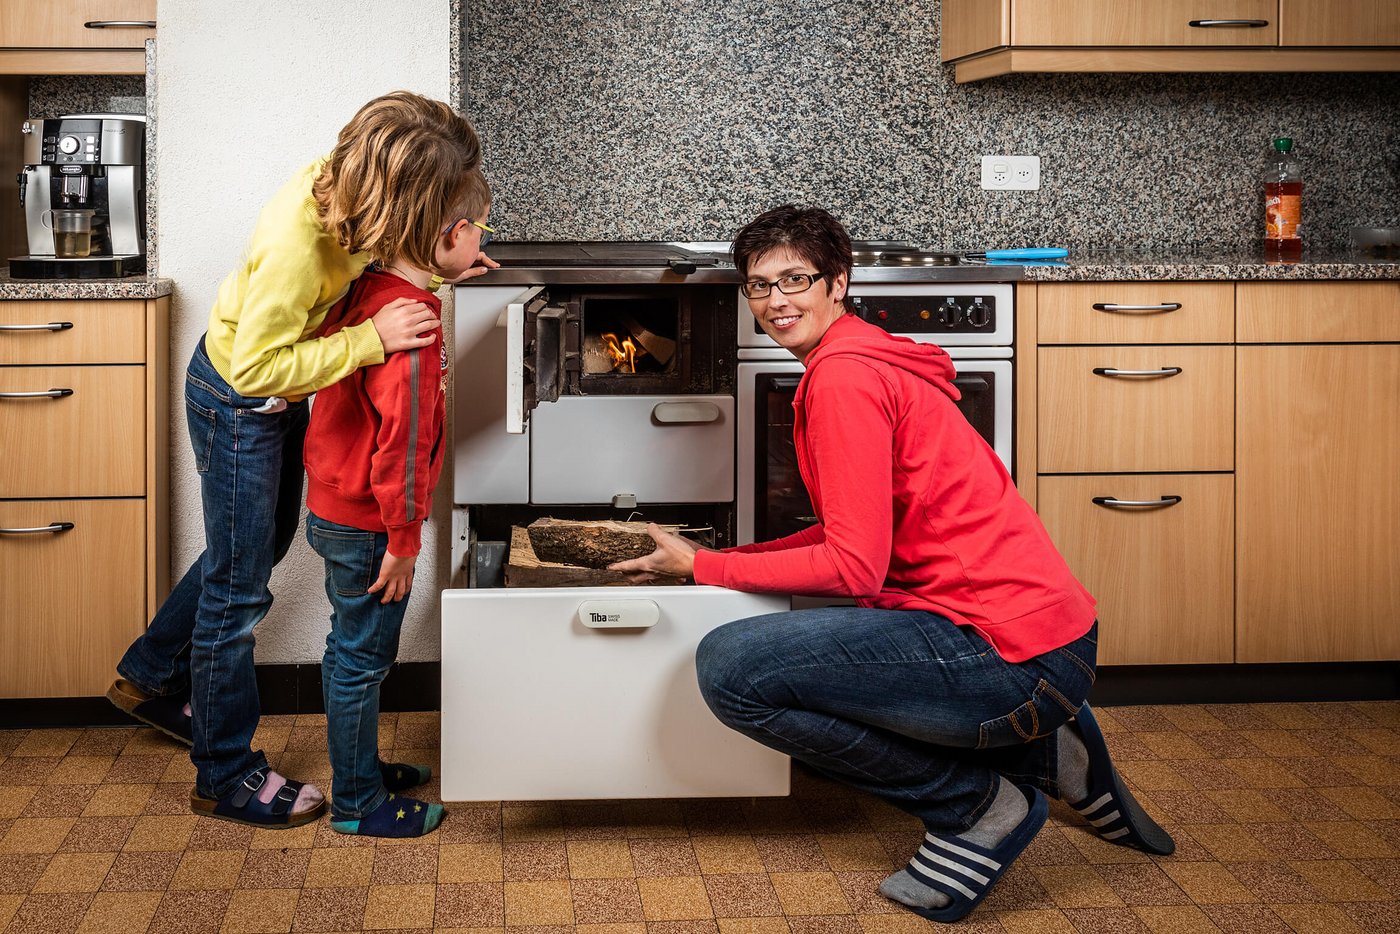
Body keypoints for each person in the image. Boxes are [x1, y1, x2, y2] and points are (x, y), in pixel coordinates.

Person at [611, 205, 1174, 923]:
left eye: (796, 280)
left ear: (837, 283)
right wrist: (715, 558)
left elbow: (852, 569)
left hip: (1008, 652)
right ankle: (1046, 747)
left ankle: (979, 806)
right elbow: (843, 535)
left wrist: (705, 571)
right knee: (795, 670)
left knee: (735, 671)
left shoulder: (843, 380)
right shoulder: (861, 354)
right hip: (1037, 635)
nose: (777, 302)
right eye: (759, 286)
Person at [104, 91, 496, 829]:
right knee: (240, 587)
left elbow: (385, 269)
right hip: (239, 395)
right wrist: (374, 340)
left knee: (252, 553)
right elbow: (255, 370)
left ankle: (151, 672)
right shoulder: (299, 243)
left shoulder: (361, 193)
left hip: (286, 388)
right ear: (403, 201)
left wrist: (448, 259)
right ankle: (223, 775)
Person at [300, 168, 491, 838]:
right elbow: (404, 443)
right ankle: (358, 804)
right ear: (454, 233)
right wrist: (405, 540)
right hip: (372, 524)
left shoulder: (379, 291)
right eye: (477, 236)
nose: (481, 248)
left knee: (351, 650)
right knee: (362, 658)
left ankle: (363, 770)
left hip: (337, 504)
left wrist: (445, 273)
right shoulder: (413, 327)